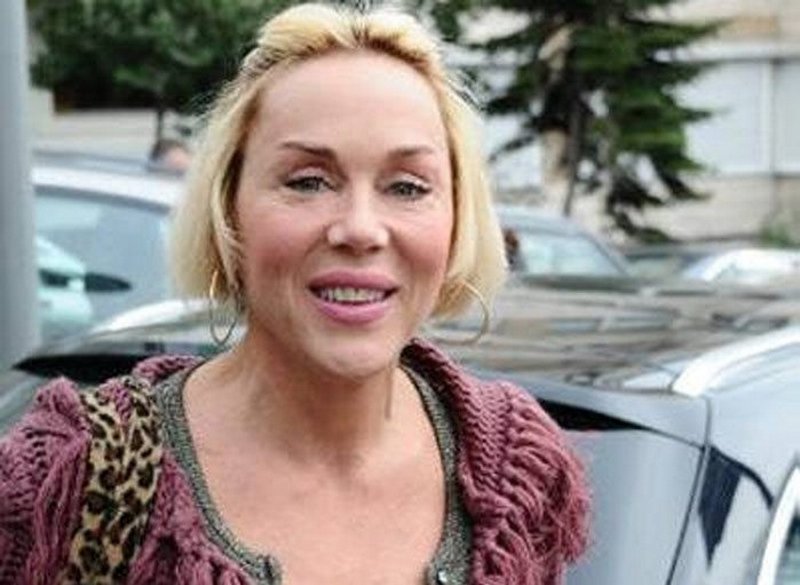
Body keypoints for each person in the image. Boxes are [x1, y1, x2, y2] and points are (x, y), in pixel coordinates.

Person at [0, 4, 589, 584]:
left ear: (458, 217)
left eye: (408, 187)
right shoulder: (74, 476)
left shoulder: (515, 468)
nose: (360, 229)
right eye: (308, 181)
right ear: (228, 208)